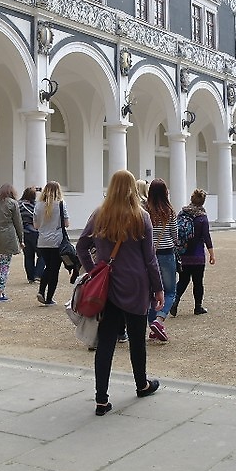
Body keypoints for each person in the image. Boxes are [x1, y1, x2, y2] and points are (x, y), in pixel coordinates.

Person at [76, 170, 163, 416]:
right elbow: (150, 258)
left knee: (106, 342)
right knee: (137, 339)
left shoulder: (99, 214)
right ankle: (141, 384)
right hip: (136, 284)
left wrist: (94, 271)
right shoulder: (141, 216)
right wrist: (158, 288)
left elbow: (81, 246)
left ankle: (101, 398)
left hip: (108, 285)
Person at [171, 188, 215, 316]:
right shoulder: (202, 218)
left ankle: (175, 301)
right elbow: (206, 237)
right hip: (197, 255)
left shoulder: (183, 213)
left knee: (183, 280)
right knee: (198, 282)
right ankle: (198, 307)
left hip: (183, 253)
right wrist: (212, 254)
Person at [144, 178, 177, 341]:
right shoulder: (169, 211)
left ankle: (152, 324)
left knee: (152, 291)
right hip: (167, 253)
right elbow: (174, 235)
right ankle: (159, 319)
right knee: (170, 291)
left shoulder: (145, 210)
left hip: (149, 254)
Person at [34, 181, 68, 306]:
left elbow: (36, 225)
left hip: (42, 240)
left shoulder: (38, 205)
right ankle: (49, 297)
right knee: (54, 269)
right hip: (57, 240)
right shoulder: (61, 204)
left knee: (48, 266)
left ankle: (41, 291)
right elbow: (66, 223)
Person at [19, 187, 45, 283]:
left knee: (28, 256)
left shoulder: (18, 205)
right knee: (42, 255)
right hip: (35, 232)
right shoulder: (36, 205)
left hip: (23, 232)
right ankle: (37, 275)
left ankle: (30, 277)